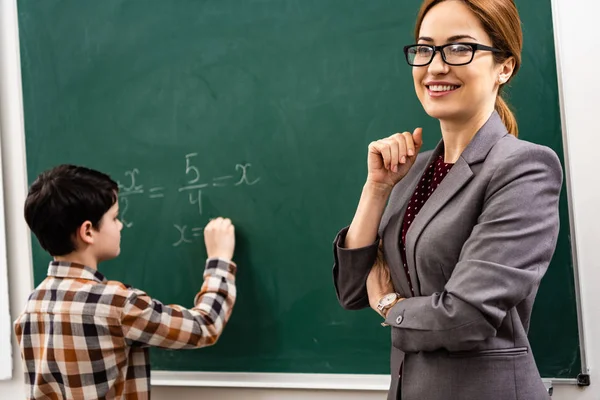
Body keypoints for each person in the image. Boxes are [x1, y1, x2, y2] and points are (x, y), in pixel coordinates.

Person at [332, 1, 562, 399]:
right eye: (425, 49)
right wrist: (376, 189)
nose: (436, 66)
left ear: (504, 66)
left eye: (460, 48)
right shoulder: (413, 171)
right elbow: (352, 291)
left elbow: (466, 317)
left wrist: (389, 305)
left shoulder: (525, 168)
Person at [14, 164, 237, 399]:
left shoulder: (32, 306)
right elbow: (204, 326)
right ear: (88, 231)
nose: (121, 225)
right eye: (115, 217)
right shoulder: (117, 305)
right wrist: (219, 260)